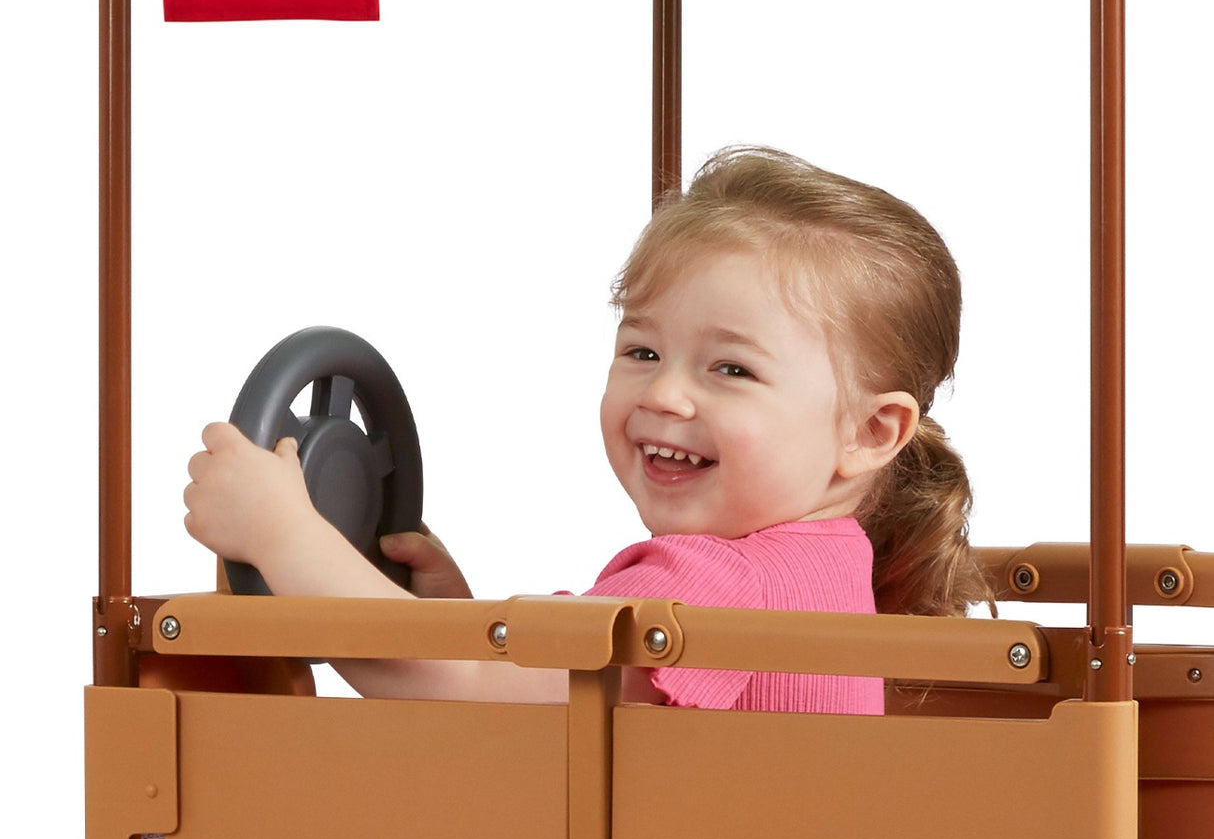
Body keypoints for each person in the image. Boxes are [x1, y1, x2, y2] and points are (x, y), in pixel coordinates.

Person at [184, 145, 992, 711]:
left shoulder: (720, 588)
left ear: (872, 432)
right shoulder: (819, 565)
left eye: (731, 369)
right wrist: (458, 616)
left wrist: (282, 532)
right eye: (642, 349)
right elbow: (517, 688)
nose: (666, 394)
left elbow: (448, 680)